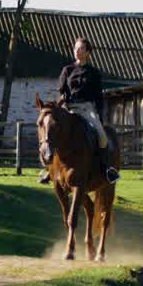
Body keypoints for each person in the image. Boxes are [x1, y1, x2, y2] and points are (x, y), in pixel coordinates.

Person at [38, 37, 120, 185]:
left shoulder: (94, 73)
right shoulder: (67, 70)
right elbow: (62, 92)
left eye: (81, 48)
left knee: (102, 136)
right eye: (75, 48)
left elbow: (98, 97)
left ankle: (106, 168)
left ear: (88, 52)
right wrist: (58, 108)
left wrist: (99, 117)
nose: (77, 51)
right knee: (53, 132)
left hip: (86, 108)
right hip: (68, 108)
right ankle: (49, 169)